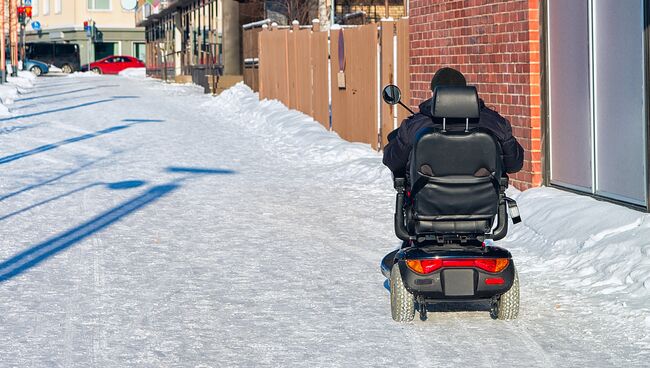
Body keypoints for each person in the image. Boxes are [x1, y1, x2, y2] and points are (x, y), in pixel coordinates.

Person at [382, 67, 524, 178]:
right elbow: (514, 165)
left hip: (428, 203)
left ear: (434, 93)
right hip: (482, 204)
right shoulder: (495, 124)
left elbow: (393, 162)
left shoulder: (415, 126)